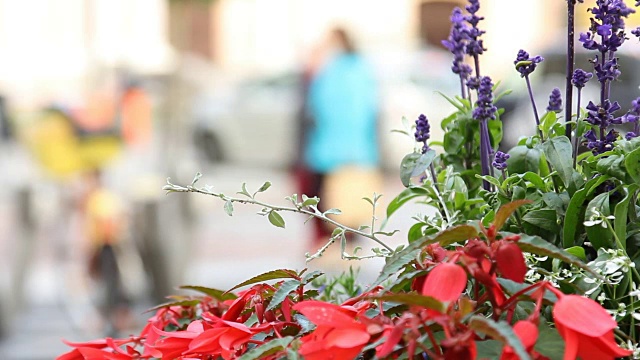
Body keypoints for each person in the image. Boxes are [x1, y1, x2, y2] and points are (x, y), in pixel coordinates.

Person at [301, 27, 381, 247]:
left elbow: (318, 107)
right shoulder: (361, 68)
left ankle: (334, 241)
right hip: (356, 148)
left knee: (330, 197)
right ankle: (348, 240)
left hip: (331, 146)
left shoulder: (331, 70)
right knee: (351, 197)